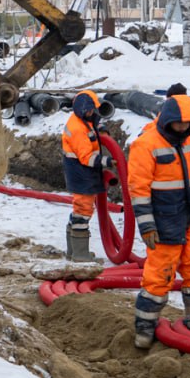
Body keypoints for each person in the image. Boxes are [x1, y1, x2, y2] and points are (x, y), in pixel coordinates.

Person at [127, 93, 190, 349]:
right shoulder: (146, 145)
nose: (183, 128)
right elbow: (139, 191)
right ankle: (144, 330)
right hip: (164, 222)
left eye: (188, 124)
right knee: (159, 276)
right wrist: (147, 226)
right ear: (168, 119)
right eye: (179, 124)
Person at [61, 90, 112, 261]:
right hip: (81, 172)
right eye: (91, 110)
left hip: (82, 173)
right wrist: (107, 162)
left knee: (79, 211)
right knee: (82, 211)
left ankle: (73, 252)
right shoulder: (77, 129)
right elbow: (86, 157)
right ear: (84, 110)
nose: (93, 113)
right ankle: (80, 255)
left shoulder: (82, 120)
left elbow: (92, 127)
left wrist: (101, 129)